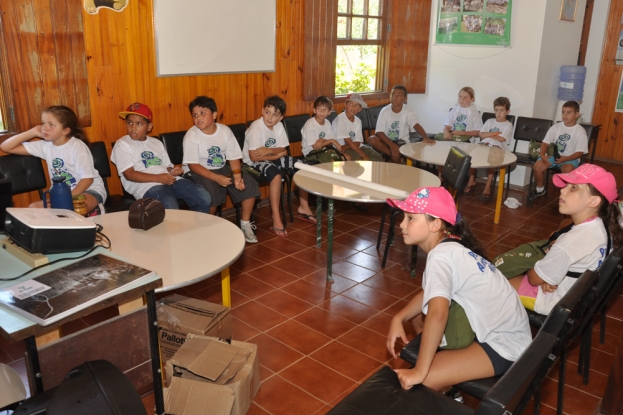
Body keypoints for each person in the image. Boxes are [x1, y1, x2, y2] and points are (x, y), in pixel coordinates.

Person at [386, 187, 531, 392]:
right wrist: (398, 318)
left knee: (420, 385)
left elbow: (438, 315)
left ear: (435, 224)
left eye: (411, 218)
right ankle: (445, 382)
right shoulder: (452, 245)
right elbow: (431, 292)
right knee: (418, 317)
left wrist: (419, 372)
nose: (402, 223)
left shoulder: (440, 257)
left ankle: (442, 386)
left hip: (505, 345)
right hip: (511, 333)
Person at [508, 164, 623, 315]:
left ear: (593, 201)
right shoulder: (603, 225)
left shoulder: (569, 241)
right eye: (566, 186)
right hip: (575, 296)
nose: (562, 190)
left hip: (555, 302)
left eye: (573, 188)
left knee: (498, 282)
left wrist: (544, 266)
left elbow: (534, 279)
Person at [0, 105, 107, 215]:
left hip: (90, 190)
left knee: (72, 211)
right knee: (33, 208)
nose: (45, 128)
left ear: (65, 130)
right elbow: (6, 147)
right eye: (43, 123)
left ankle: (94, 210)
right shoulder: (45, 145)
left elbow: (87, 180)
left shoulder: (77, 146)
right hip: (60, 194)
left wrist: (65, 199)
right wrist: (33, 132)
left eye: (51, 125)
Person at [182, 96, 261, 243]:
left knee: (249, 184)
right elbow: (193, 165)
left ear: (214, 115)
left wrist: (237, 176)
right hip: (197, 170)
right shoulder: (192, 135)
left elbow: (233, 158)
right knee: (211, 190)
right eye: (195, 115)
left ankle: (245, 225)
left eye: (203, 113)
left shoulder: (225, 131)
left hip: (220, 167)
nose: (198, 117)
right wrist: (217, 178)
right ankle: (204, 228)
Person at [111, 102, 212, 216]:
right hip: (146, 186)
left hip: (169, 180)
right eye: (129, 123)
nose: (133, 127)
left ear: (149, 127)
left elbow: (167, 166)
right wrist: (159, 178)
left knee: (203, 196)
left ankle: (196, 230)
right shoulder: (123, 144)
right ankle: (173, 233)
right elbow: (129, 174)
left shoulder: (156, 143)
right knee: (170, 205)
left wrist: (173, 171)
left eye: (139, 124)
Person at [243, 95, 316, 237]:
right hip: (253, 163)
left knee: (304, 166)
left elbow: (283, 149)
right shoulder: (255, 128)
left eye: (275, 115)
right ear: (262, 110)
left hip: (269, 156)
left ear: (281, 117)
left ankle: (303, 206)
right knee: (275, 175)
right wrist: (276, 155)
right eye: (267, 112)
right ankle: (276, 218)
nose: (269, 118)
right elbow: (253, 156)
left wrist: (269, 150)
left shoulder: (279, 126)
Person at [532, 101, 587, 199]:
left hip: (570, 157)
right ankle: (540, 189)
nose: (565, 115)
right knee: (537, 167)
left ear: (577, 114)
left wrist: (566, 158)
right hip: (553, 155)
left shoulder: (580, 131)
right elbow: (545, 143)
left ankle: (567, 196)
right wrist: (543, 156)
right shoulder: (556, 127)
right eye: (563, 112)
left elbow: (579, 153)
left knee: (567, 171)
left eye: (569, 112)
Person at [464, 97, 514, 201]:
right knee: (472, 155)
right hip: (484, 145)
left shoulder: (508, 125)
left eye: (502, 110)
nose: (499, 113)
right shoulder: (489, 121)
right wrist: (494, 134)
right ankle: (471, 180)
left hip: (499, 149)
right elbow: (481, 135)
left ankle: (488, 184)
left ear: (507, 111)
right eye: (496, 110)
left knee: (492, 155)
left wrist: (488, 135)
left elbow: (501, 138)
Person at [367, 85, 432, 163]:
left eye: (399, 95)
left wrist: (425, 137)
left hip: (402, 142)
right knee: (372, 139)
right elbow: (379, 131)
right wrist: (391, 145)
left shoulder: (408, 111)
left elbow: (416, 125)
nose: (395, 97)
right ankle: (398, 157)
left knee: (395, 154)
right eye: (393, 94)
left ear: (405, 99)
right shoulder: (385, 111)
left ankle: (396, 161)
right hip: (387, 141)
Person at [331, 93, 383, 162]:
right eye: (350, 103)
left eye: (357, 105)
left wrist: (348, 146)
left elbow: (358, 143)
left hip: (353, 146)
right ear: (345, 105)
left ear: (360, 109)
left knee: (377, 157)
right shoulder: (340, 120)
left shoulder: (358, 121)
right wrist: (364, 156)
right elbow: (349, 142)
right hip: (341, 148)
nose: (353, 107)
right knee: (360, 160)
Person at [301, 96, 350, 162]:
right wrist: (331, 141)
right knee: (333, 161)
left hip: (326, 149)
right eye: (319, 109)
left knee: (347, 157)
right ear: (314, 110)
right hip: (311, 152)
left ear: (329, 112)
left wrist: (322, 139)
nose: (322, 111)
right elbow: (316, 147)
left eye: (325, 109)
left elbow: (330, 144)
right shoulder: (310, 124)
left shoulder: (327, 123)